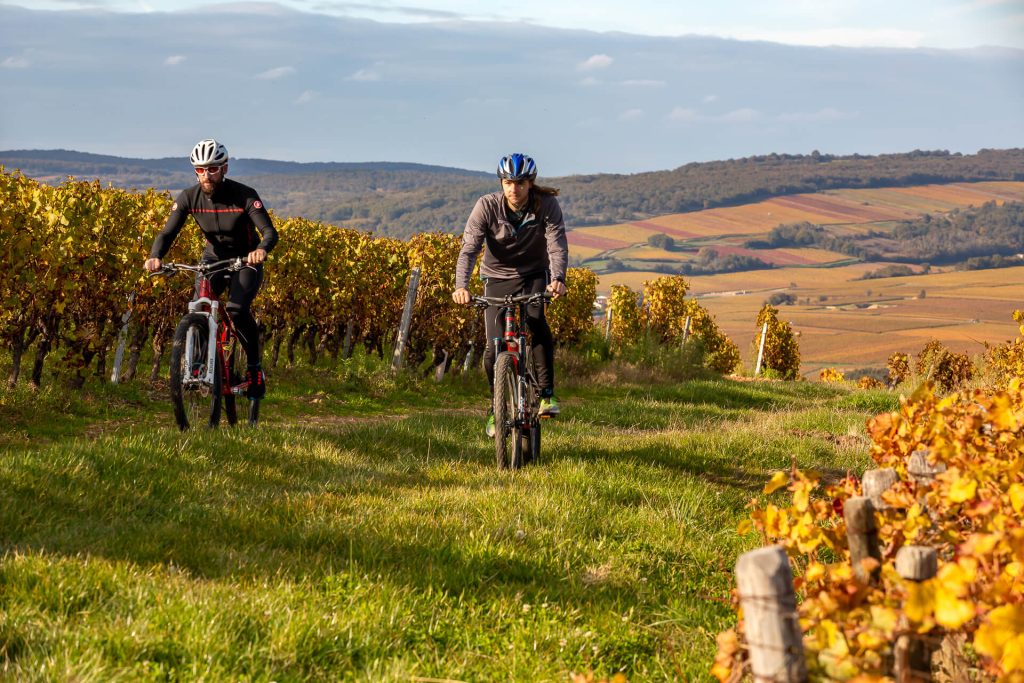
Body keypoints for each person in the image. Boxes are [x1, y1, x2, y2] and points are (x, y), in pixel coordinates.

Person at [144, 138, 278, 398]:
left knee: (237, 310)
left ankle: (254, 369)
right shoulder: (188, 197)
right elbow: (167, 232)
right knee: (201, 305)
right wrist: (155, 255)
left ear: (225, 168)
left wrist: (261, 250)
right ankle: (196, 367)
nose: (207, 174)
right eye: (201, 169)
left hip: (245, 259)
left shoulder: (245, 195)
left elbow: (269, 232)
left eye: (213, 168)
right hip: (213, 259)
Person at [452, 153, 568, 436]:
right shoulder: (487, 206)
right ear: (501, 183)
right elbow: (469, 248)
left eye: (519, 183)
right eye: (507, 183)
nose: (513, 189)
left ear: (530, 183)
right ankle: (496, 408)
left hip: (533, 276)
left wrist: (557, 279)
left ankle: (546, 394)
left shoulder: (546, 205)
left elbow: (556, 245)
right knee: (493, 349)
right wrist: (461, 286)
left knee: (536, 320)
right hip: (496, 278)